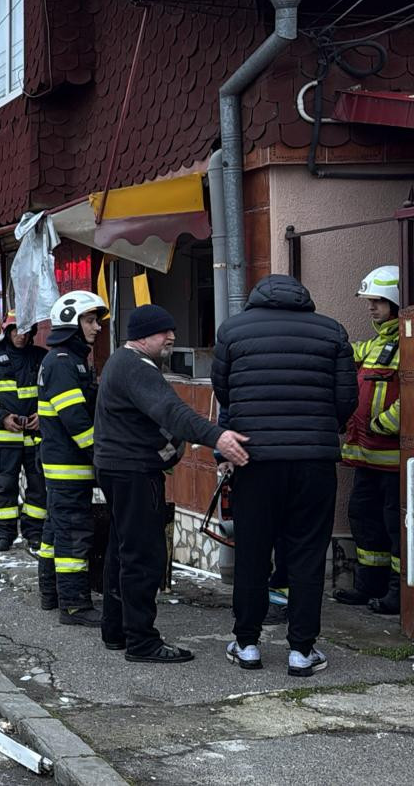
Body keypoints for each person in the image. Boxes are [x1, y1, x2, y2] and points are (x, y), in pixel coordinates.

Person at [213, 275, 356, 677]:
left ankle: (247, 645)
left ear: (256, 298)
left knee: (253, 553)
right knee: (307, 554)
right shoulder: (331, 331)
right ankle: (301, 651)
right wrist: (321, 427)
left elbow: (224, 392)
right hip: (314, 460)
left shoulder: (233, 330)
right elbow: (346, 398)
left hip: (254, 459)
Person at [95, 305, 250, 663]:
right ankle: (142, 642)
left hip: (117, 469)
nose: (171, 338)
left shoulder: (121, 362)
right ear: (142, 336)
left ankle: (117, 630)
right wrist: (218, 437)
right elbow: (172, 412)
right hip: (134, 473)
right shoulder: (136, 367)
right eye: (164, 332)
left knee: (122, 550)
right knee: (143, 556)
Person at [37, 291, 108, 626]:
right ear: (71, 323)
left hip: (63, 464)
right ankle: (75, 605)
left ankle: (51, 594)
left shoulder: (67, 359)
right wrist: (101, 455)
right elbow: (76, 421)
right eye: (90, 321)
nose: (97, 327)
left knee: (56, 530)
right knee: (73, 534)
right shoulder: (63, 362)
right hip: (69, 467)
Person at [337, 265, 404, 616]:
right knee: (364, 519)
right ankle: (369, 585)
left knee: (395, 527)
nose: (371, 307)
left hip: (394, 460)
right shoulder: (378, 343)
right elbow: (348, 353)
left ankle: (398, 593)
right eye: (369, 301)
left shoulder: (408, 344)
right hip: (367, 458)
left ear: (396, 302)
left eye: (377, 301)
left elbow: (410, 398)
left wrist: (383, 424)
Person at [0, 312, 47, 552]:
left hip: (35, 435)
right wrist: (2, 417)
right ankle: (4, 535)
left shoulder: (41, 357)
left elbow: (51, 392)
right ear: (7, 331)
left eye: (25, 330)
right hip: (7, 435)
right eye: (16, 330)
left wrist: (43, 415)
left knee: (38, 487)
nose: (20, 335)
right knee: (6, 487)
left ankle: (34, 533)